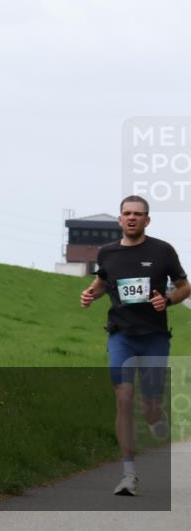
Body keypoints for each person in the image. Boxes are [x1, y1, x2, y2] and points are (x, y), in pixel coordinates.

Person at [79, 195, 189, 496]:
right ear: (120, 219)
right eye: (126, 213)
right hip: (121, 336)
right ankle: (129, 474)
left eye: (137, 214)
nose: (131, 218)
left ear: (146, 220)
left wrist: (166, 300)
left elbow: (184, 287)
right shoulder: (107, 253)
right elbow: (102, 283)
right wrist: (90, 294)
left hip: (154, 336)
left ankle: (157, 415)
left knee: (149, 406)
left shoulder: (162, 251)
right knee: (124, 399)